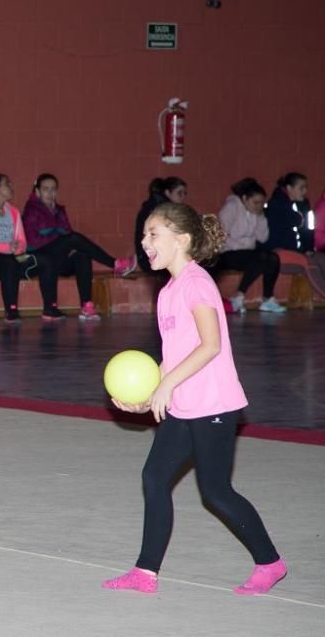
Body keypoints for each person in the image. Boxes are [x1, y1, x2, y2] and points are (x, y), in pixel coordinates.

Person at [103, 203, 285, 596]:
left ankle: (270, 563)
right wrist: (151, 393)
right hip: (185, 404)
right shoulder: (168, 291)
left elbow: (211, 344)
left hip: (215, 405)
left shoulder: (197, 283)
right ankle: (144, 573)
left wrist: (168, 387)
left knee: (216, 492)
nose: (144, 241)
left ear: (182, 239)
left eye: (154, 234)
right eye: (144, 234)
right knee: (154, 477)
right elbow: (173, 354)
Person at [22, 173, 136, 321]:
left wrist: (65, 241)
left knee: (82, 254)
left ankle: (86, 306)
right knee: (74, 238)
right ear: (37, 191)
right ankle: (115, 263)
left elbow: (67, 235)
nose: (50, 193)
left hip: (58, 259)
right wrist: (61, 238)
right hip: (39, 257)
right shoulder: (31, 210)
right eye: (45, 189)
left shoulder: (60, 211)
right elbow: (33, 241)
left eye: (53, 189)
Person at [0, 174, 62, 322]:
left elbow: (22, 241)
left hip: (10, 257)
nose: (11, 187)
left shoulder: (14, 212)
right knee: (8, 263)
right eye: (7, 184)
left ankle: (50, 308)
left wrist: (18, 248)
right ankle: (11, 311)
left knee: (46, 260)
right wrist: (6, 247)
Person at [215, 178, 285, 313]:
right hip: (227, 253)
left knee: (273, 258)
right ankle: (239, 296)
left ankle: (268, 299)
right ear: (244, 198)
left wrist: (261, 217)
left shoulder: (257, 213)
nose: (259, 206)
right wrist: (238, 243)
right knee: (261, 257)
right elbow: (221, 233)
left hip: (248, 254)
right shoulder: (232, 207)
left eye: (261, 203)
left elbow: (263, 238)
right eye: (255, 203)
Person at [264, 172, 325, 299]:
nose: (305, 191)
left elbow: (307, 229)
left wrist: (308, 248)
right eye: (301, 188)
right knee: (308, 264)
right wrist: (297, 219)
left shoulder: (304, 204)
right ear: (289, 188)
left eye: (306, 187)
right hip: (279, 251)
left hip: (299, 251)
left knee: (321, 259)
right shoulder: (276, 204)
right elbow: (282, 227)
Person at [134, 177, 187, 273]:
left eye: (184, 193)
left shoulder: (157, 207)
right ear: (167, 193)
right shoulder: (160, 212)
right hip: (151, 259)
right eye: (179, 193)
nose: (183, 196)